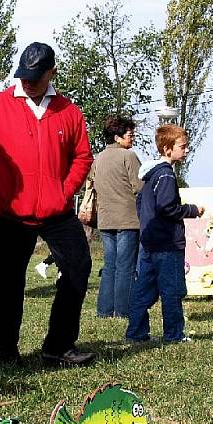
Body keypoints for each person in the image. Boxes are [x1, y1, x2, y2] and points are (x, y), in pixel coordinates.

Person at [0, 42, 95, 366]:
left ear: (52, 72)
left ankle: (58, 345)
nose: (28, 82)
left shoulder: (69, 112)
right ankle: (7, 353)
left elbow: (83, 156)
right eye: (24, 76)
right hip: (11, 212)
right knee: (9, 284)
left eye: (36, 77)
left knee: (78, 269)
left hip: (57, 212)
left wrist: (64, 191)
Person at [125, 124, 203, 344]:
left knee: (143, 290)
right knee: (172, 290)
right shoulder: (166, 175)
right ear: (168, 149)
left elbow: (141, 203)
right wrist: (192, 210)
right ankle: (174, 334)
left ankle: (136, 333)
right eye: (182, 146)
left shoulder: (151, 176)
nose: (186, 151)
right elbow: (168, 207)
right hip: (167, 244)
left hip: (149, 241)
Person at [91, 116, 142, 318]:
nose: (133, 138)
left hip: (105, 220)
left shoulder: (98, 158)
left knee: (110, 266)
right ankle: (123, 310)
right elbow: (139, 187)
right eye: (130, 135)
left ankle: (104, 310)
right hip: (127, 219)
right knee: (126, 267)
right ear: (117, 136)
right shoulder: (128, 157)